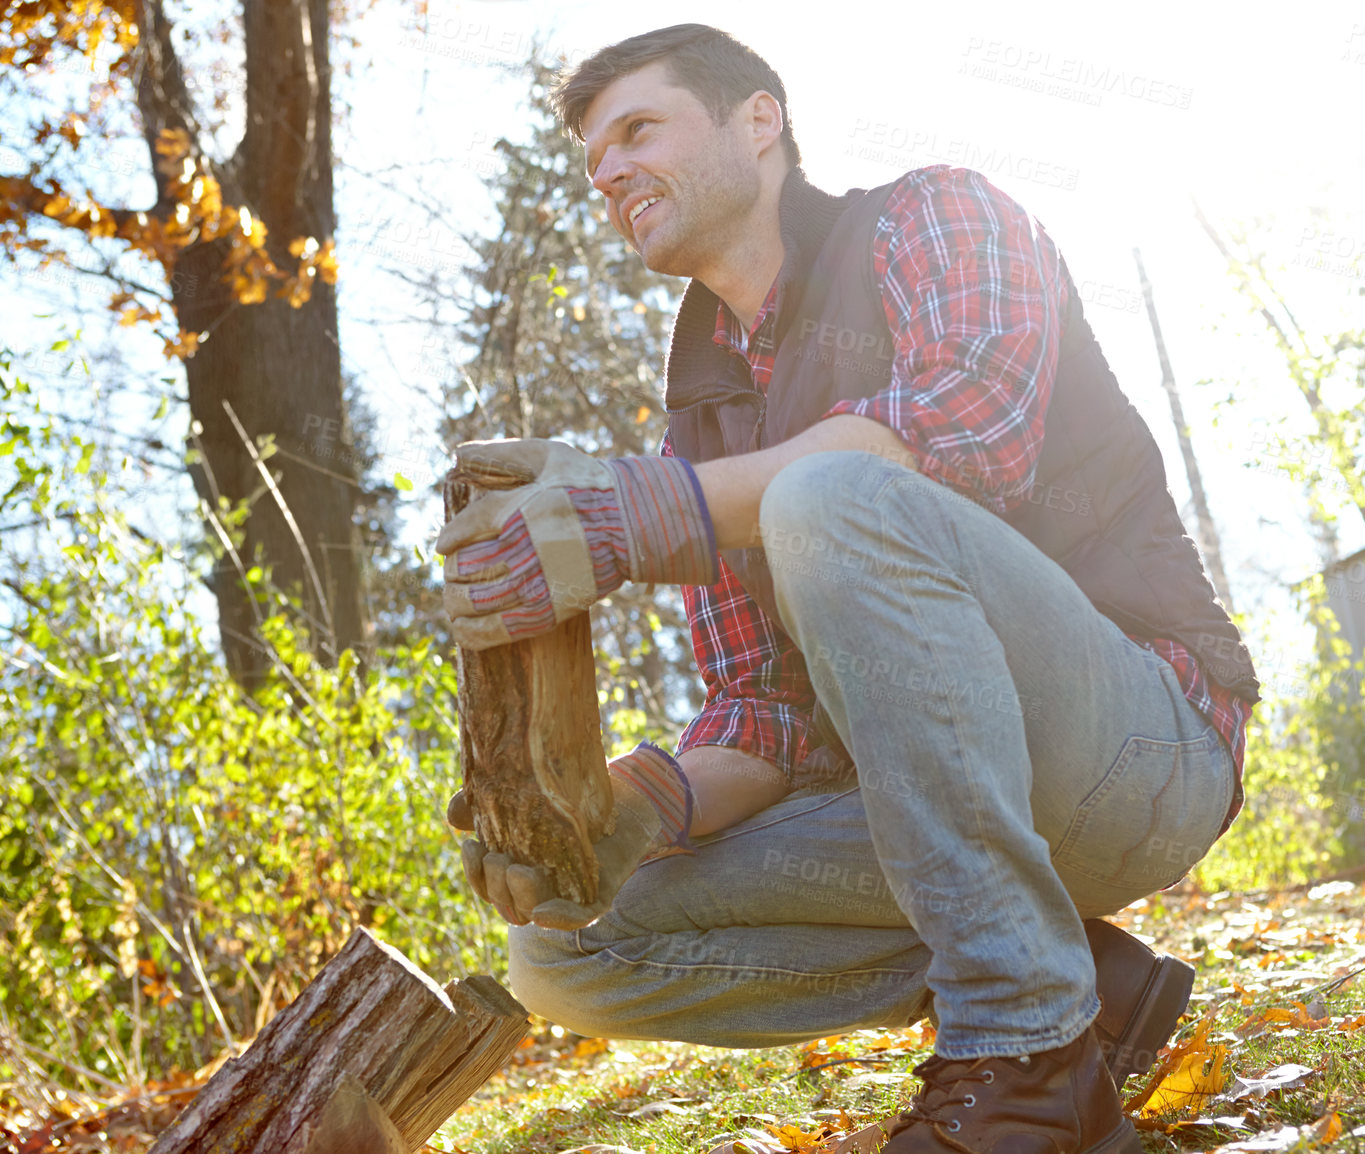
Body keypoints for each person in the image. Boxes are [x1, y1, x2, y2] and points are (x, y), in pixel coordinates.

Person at [434, 24, 1260, 1153]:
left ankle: (1024, 1053)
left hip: (1137, 749)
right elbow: (766, 710)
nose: (609, 170)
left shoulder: (933, 216)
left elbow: (968, 437)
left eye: (637, 129)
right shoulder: (705, 417)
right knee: (566, 948)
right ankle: (1083, 985)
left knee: (829, 491)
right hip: (947, 809)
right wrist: (635, 807)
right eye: (593, 160)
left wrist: (651, 511)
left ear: (758, 119)